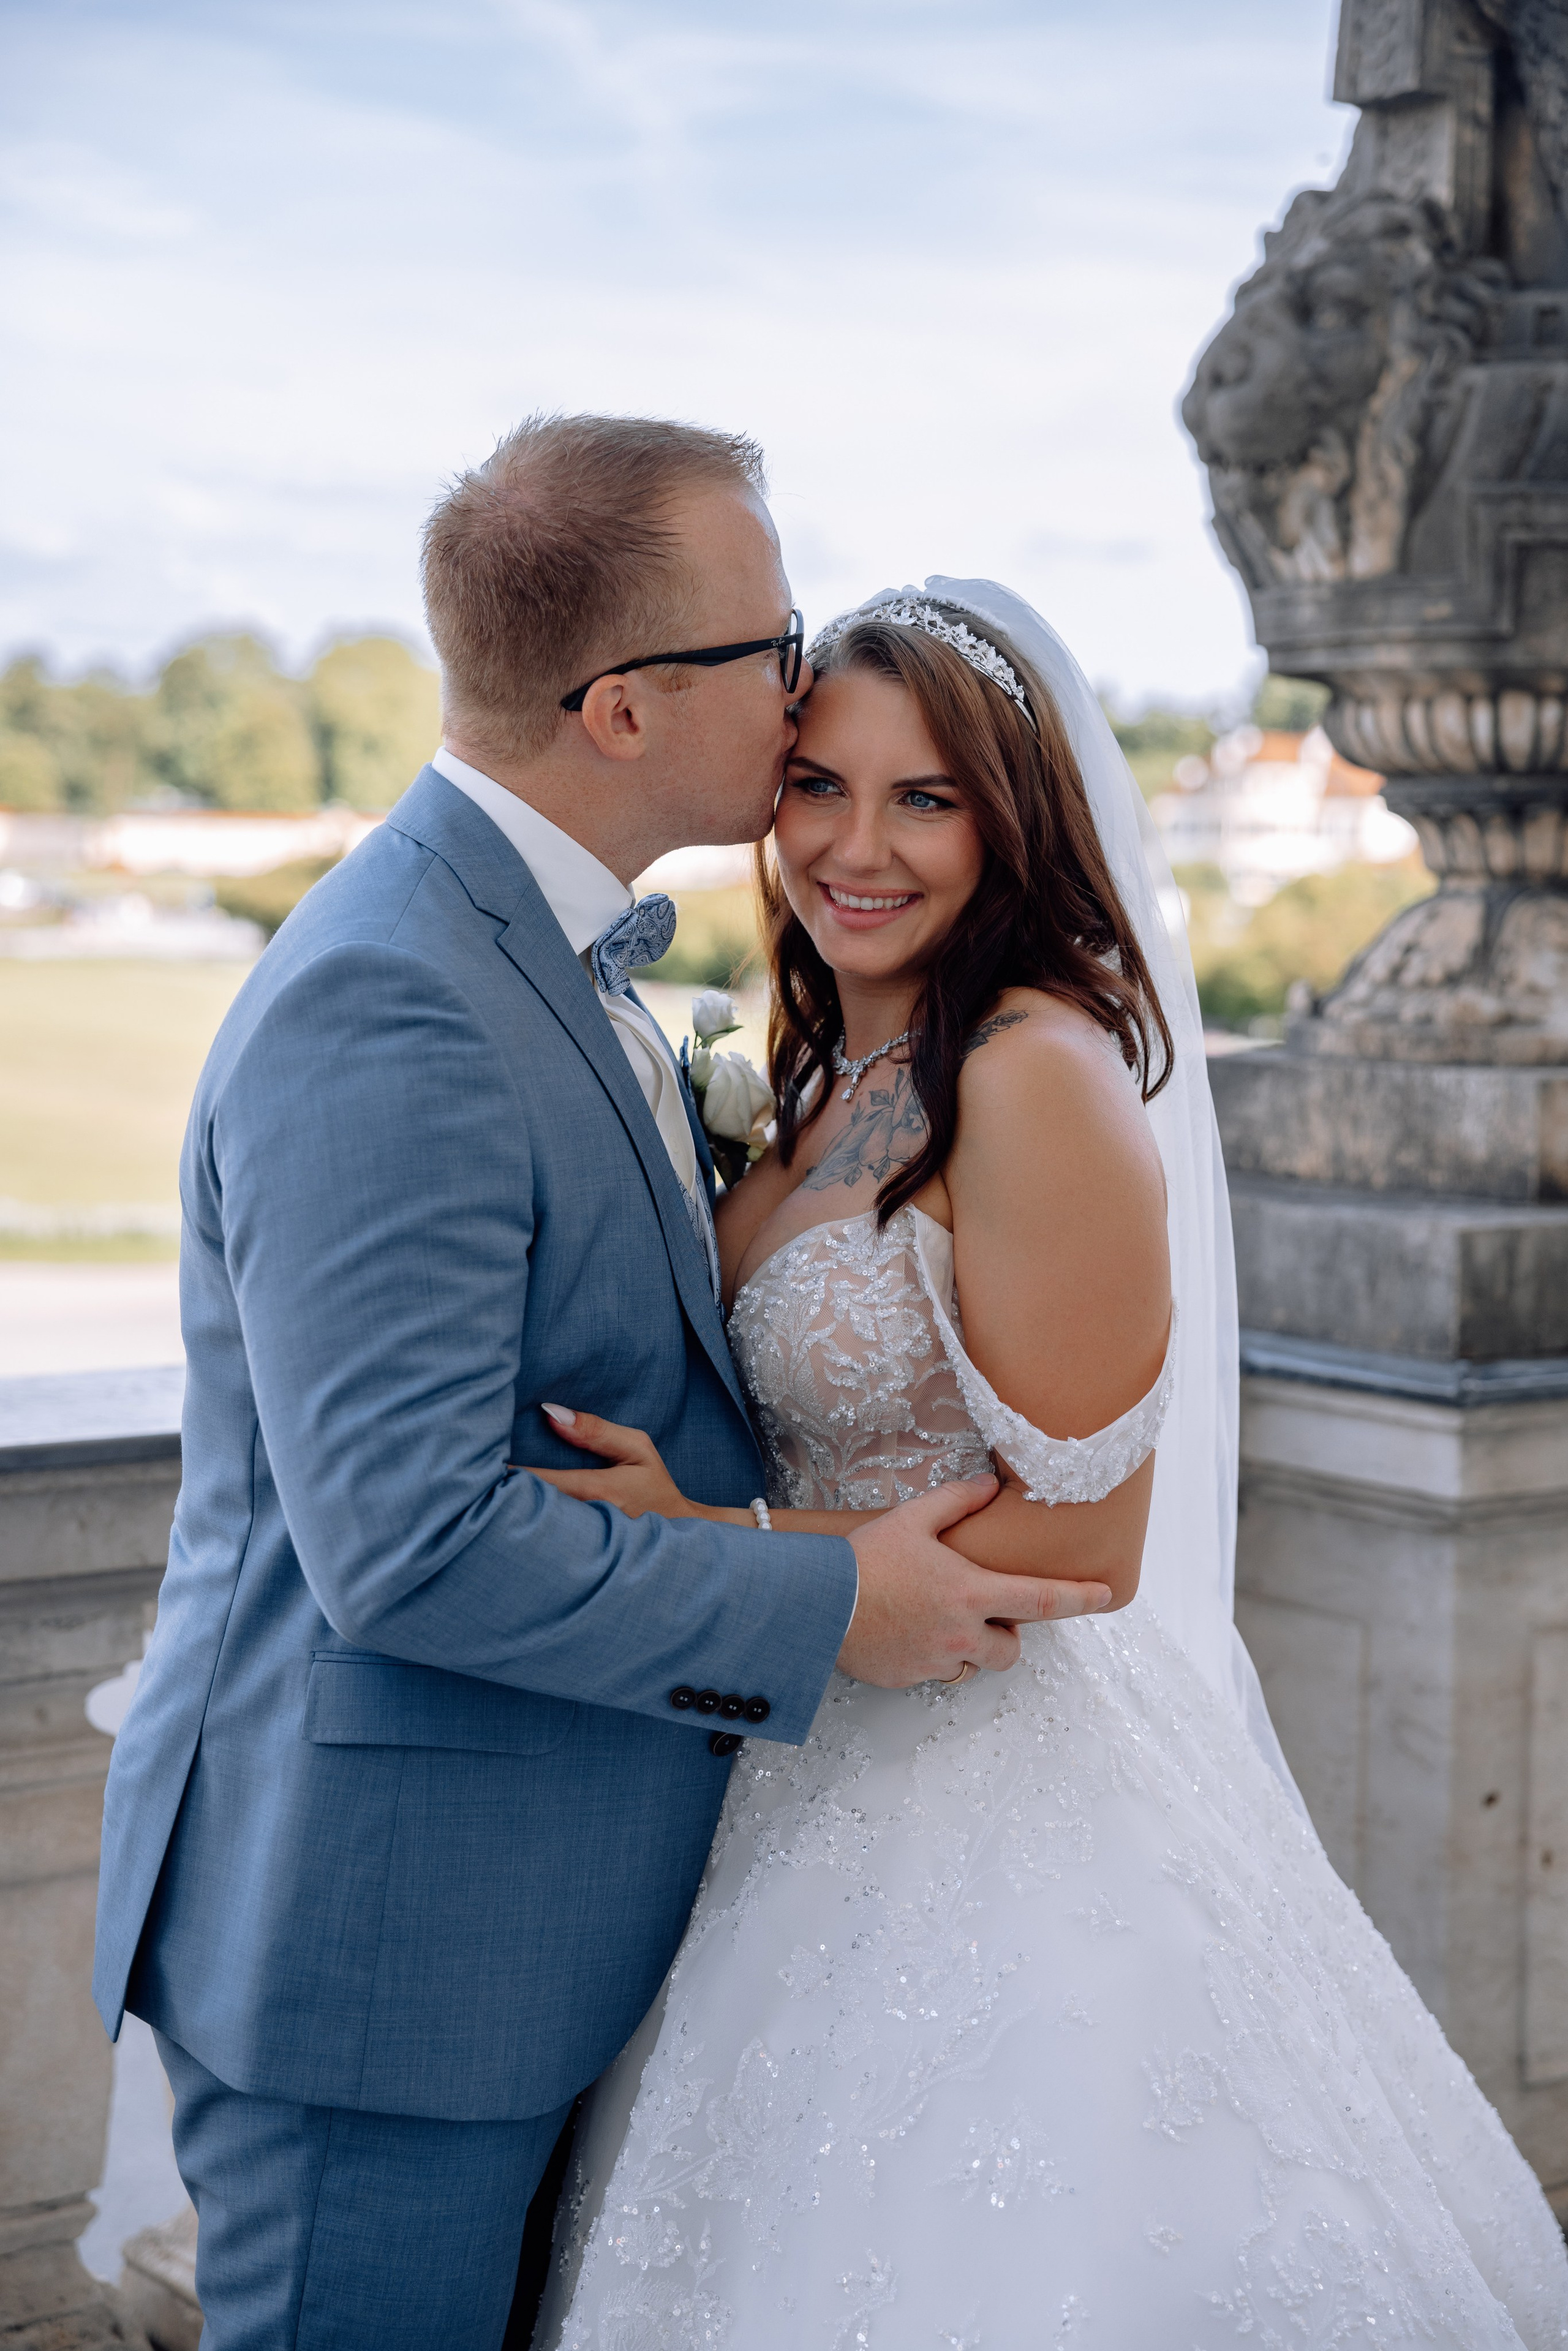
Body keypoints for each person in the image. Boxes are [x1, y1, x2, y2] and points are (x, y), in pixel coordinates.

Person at [92, 434, 1111, 2351]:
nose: (806, 688)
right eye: (776, 644)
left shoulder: (547, 956)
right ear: (629, 707)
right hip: (385, 1963)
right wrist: (826, 1591)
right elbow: (401, 1550)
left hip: (551, 1921)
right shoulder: (394, 993)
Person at [533, 582, 1568, 2348]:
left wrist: (702, 1541)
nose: (859, 846)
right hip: (792, 1775)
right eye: (820, 788)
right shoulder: (834, 1058)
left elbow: (1086, 1543)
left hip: (987, 1803)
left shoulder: (1032, 1072)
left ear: (1016, 816)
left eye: (927, 797)